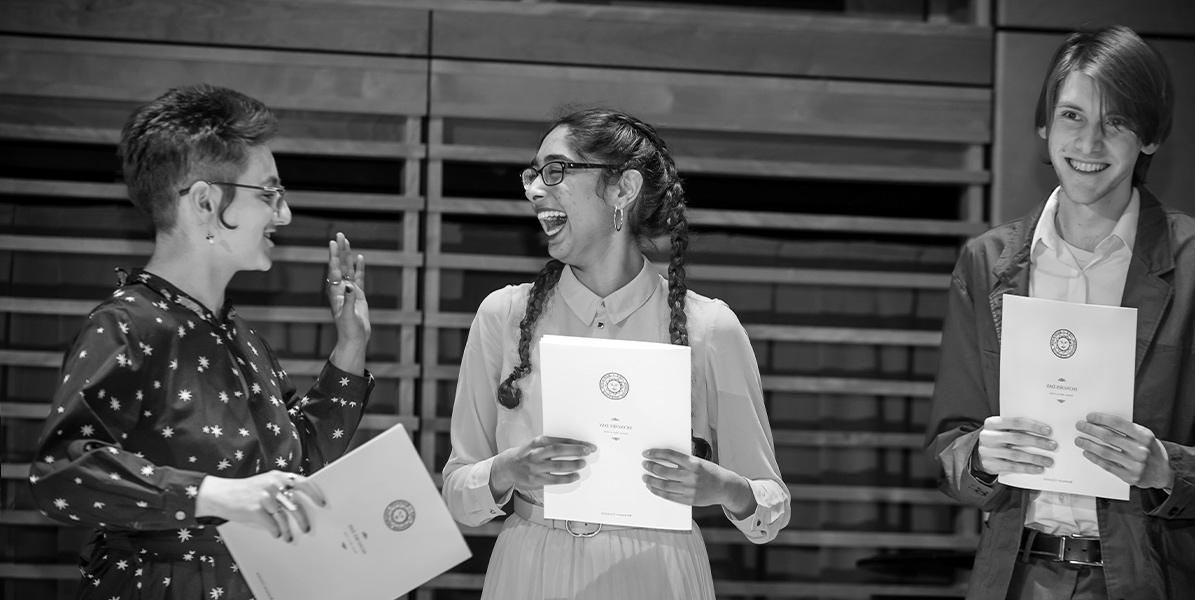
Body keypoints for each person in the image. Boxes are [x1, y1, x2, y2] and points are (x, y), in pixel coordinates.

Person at [28, 83, 374, 600]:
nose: (284, 215)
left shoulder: (237, 333)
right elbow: (62, 473)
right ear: (207, 202)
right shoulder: (128, 324)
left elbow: (294, 468)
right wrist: (217, 496)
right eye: (269, 194)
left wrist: (350, 347)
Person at [441, 108, 789, 599]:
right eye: (532, 175)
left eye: (556, 171)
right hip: (530, 569)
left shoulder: (710, 327)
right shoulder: (502, 315)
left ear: (622, 189)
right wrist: (508, 471)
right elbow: (458, 492)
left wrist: (723, 489)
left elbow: (770, 506)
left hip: (659, 574)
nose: (535, 190)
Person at [926, 26, 1195, 600]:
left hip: (1151, 579)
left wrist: (1168, 469)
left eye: (1116, 121)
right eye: (1072, 116)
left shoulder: (1194, 265)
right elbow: (948, 446)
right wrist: (979, 456)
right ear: (1045, 127)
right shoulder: (987, 262)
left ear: (1148, 137)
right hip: (1016, 577)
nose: (1089, 143)